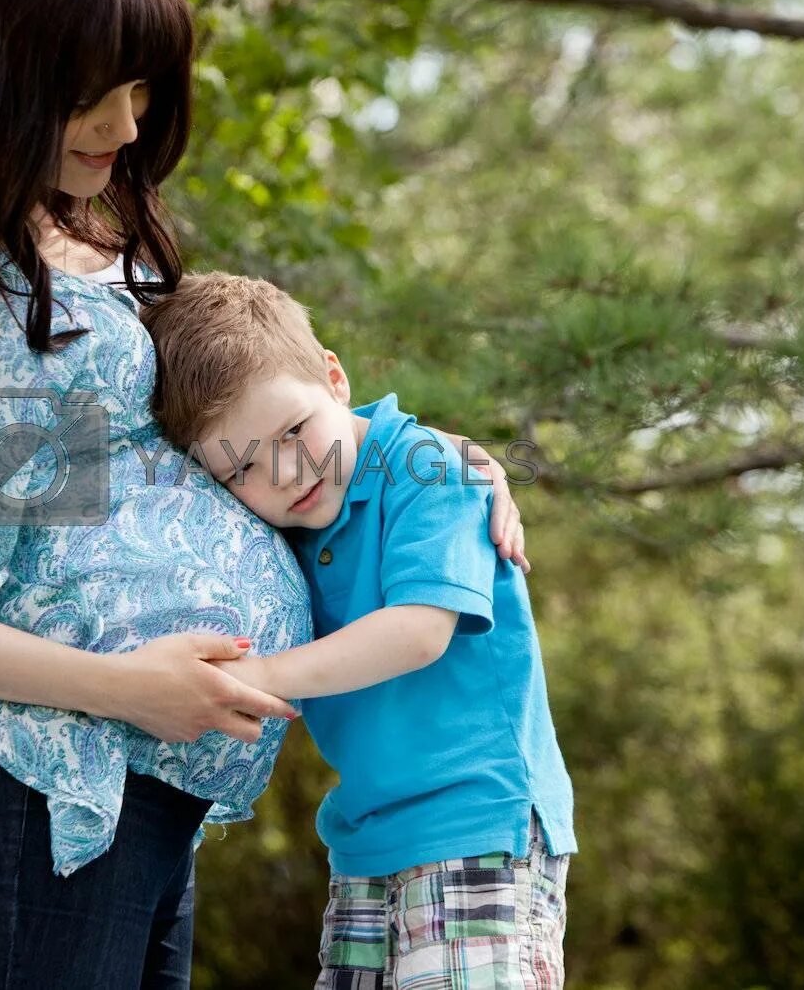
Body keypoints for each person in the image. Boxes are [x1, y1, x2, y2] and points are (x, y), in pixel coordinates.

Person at [0, 0, 528, 986]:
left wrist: (431, 462)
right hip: (33, 775)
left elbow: (92, 498)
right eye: (90, 95)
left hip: (134, 775)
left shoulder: (47, 218)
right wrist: (119, 683)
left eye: (139, 88)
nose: (126, 125)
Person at [140, 272, 574, 989]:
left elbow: (417, 632)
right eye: (244, 466)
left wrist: (263, 676)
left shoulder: (427, 468)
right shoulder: (294, 519)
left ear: (336, 379)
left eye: (293, 432)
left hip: (477, 818)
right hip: (365, 839)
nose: (286, 471)